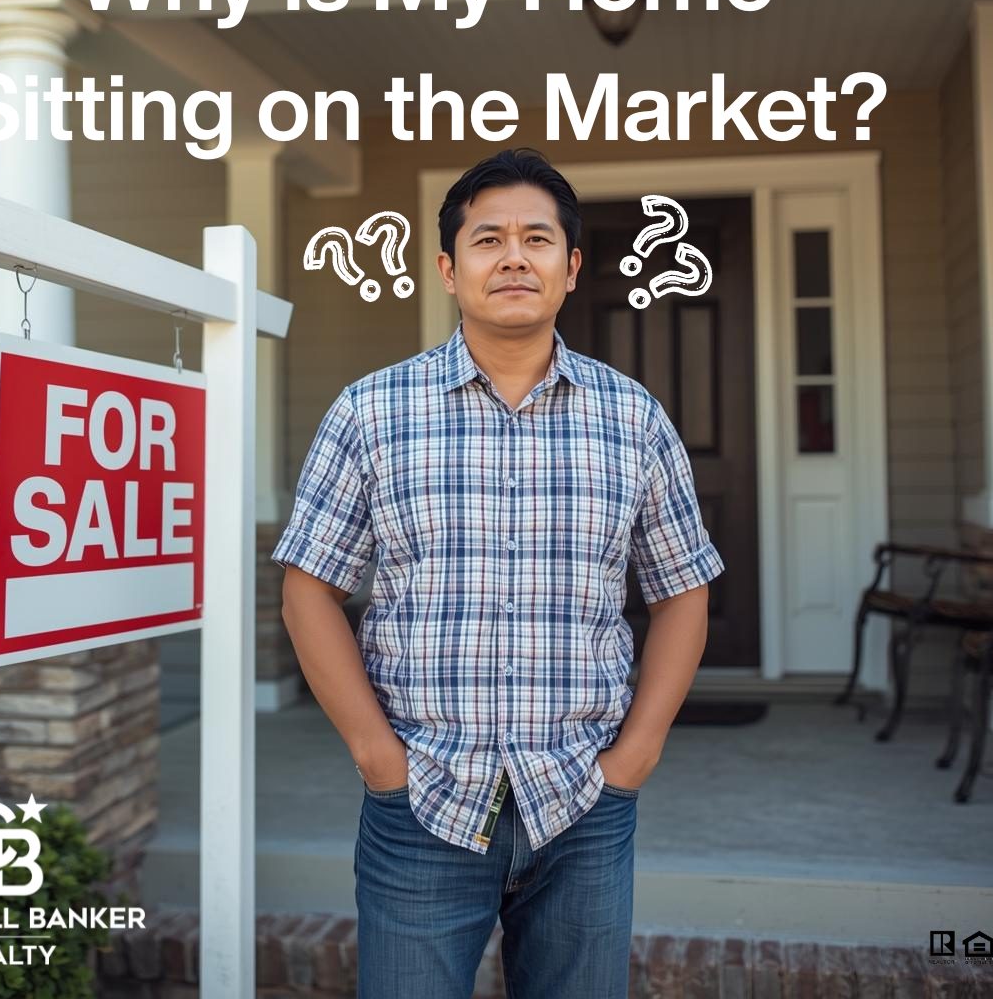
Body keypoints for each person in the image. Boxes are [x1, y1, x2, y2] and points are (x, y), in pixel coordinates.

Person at [273, 148, 724, 999]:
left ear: (570, 266)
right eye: (487, 239)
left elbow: (683, 591)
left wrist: (636, 756)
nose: (514, 256)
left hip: (584, 803)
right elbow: (309, 589)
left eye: (537, 238)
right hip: (423, 802)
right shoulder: (371, 412)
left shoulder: (635, 419)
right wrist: (378, 757)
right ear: (449, 268)